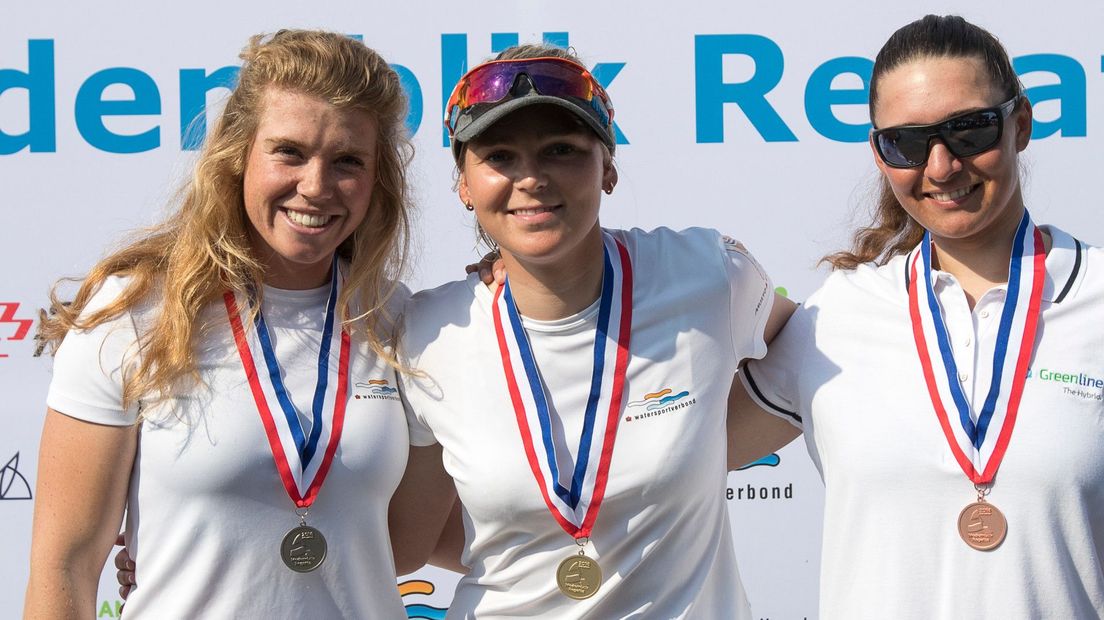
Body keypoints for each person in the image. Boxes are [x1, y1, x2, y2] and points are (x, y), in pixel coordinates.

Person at [386, 44, 797, 618]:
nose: (531, 178)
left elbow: (806, 357)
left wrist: (708, 452)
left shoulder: (705, 275)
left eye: (562, 150)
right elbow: (411, 538)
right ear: (464, 185)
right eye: (500, 156)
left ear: (608, 168)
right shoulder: (429, 331)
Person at [24, 30, 415, 618]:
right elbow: (65, 567)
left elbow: (416, 540)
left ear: (377, 177)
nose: (315, 186)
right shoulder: (138, 311)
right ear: (237, 155)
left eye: (347, 161)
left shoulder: (397, 316)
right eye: (289, 152)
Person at [738, 14, 1104, 617]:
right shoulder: (837, 316)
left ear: (1021, 125)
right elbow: (671, 453)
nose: (940, 167)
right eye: (906, 142)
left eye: (969, 130)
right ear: (880, 155)